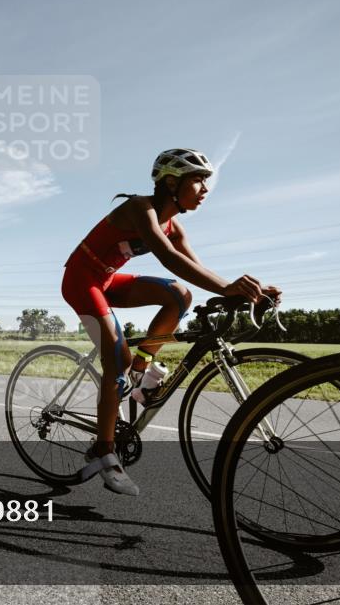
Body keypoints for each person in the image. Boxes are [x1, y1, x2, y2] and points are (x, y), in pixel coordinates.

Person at [60, 148, 280, 496]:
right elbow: (167, 257)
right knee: (116, 360)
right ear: (172, 182)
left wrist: (243, 292)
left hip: (107, 279)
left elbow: (194, 268)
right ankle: (102, 451)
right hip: (81, 279)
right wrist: (227, 286)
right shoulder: (140, 208)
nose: (206, 189)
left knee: (181, 295)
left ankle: (142, 369)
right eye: (198, 180)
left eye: (207, 181)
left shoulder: (174, 225)